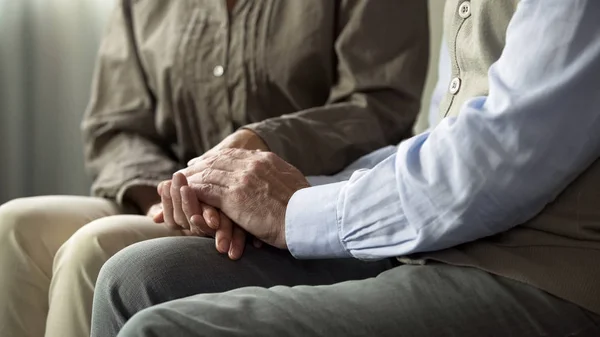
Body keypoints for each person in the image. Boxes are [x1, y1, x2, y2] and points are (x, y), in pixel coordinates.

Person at [90, 1, 600, 336]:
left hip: (541, 267)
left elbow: (501, 153)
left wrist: (292, 208)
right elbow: (442, 136)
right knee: (132, 278)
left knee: (157, 329)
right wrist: (232, 193)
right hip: (441, 232)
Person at [0, 1, 429, 336]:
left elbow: (377, 108)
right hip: (165, 197)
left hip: (288, 206)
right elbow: (115, 125)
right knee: (15, 226)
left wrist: (259, 142)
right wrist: (173, 196)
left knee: (92, 248)